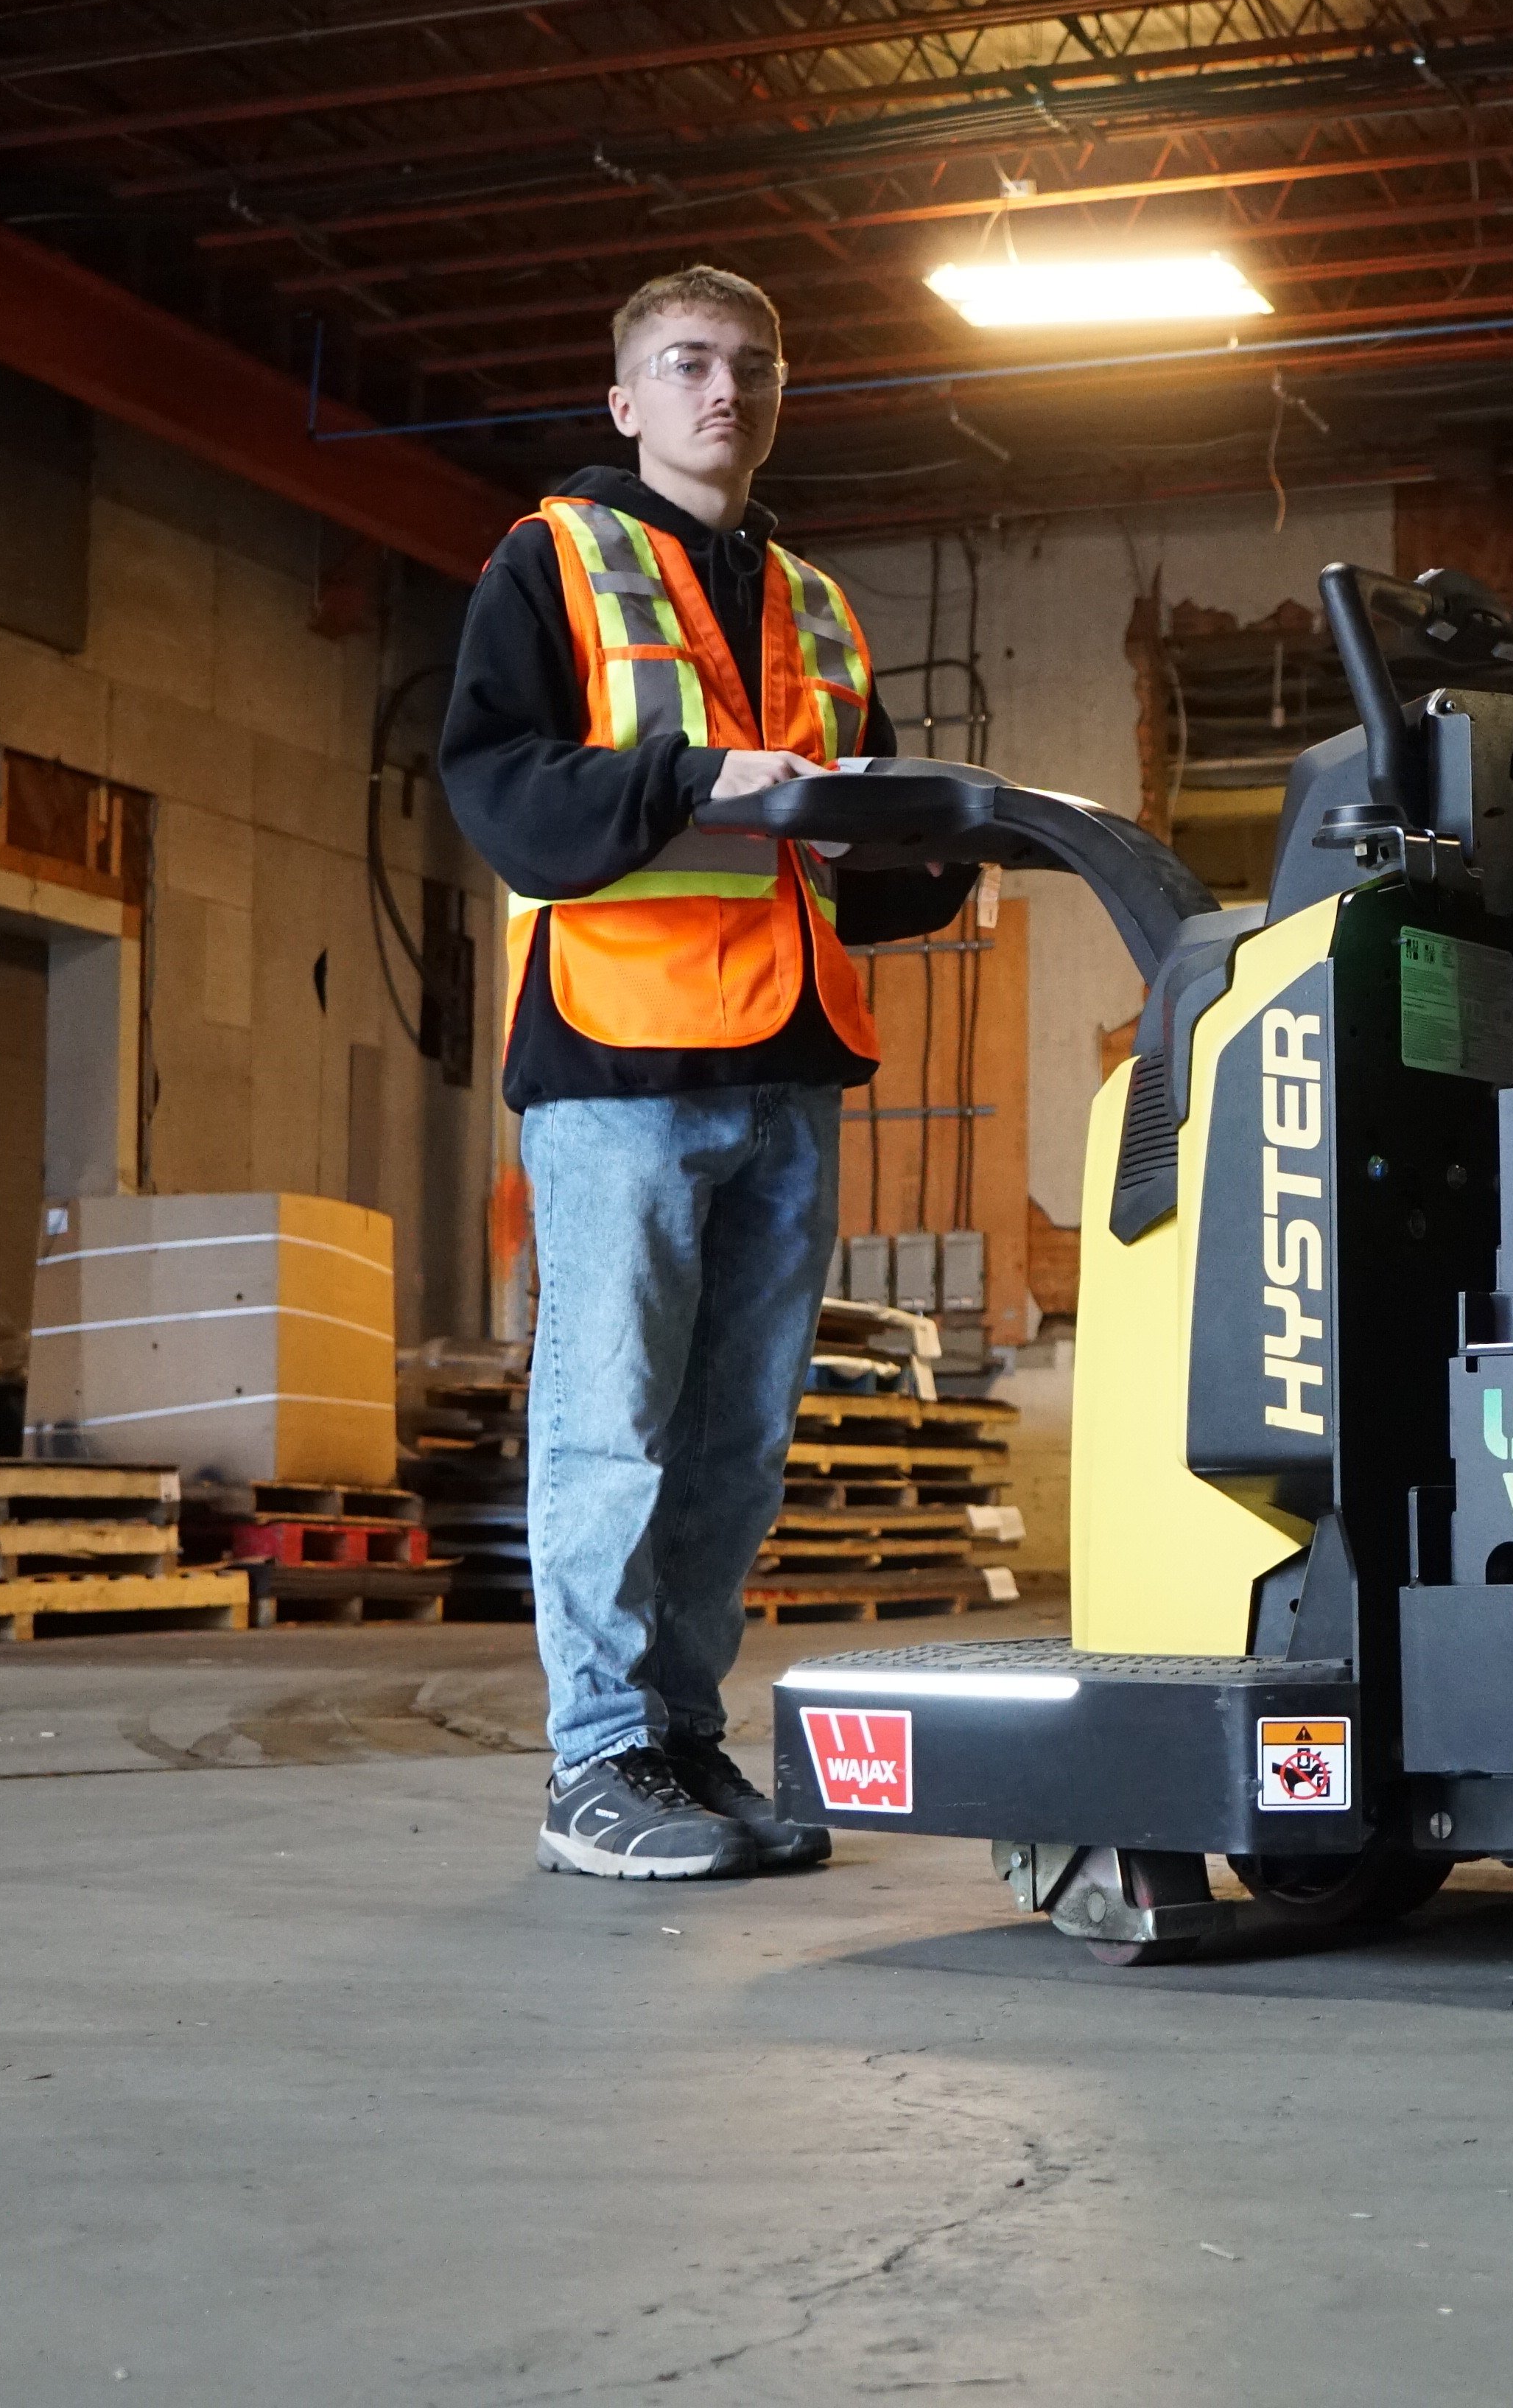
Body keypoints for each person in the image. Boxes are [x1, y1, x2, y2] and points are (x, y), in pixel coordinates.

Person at [438, 264, 976, 1883]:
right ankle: (593, 1758)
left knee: (736, 1434)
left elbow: (844, 830)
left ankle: (679, 1734)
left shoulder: (815, 598)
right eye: (686, 365)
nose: (722, 391)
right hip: (623, 1058)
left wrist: (942, 844)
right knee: (612, 1424)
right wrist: (689, 775)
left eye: (752, 366)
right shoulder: (558, 559)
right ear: (626, 400)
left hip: (792, 1061)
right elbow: (499, 777)